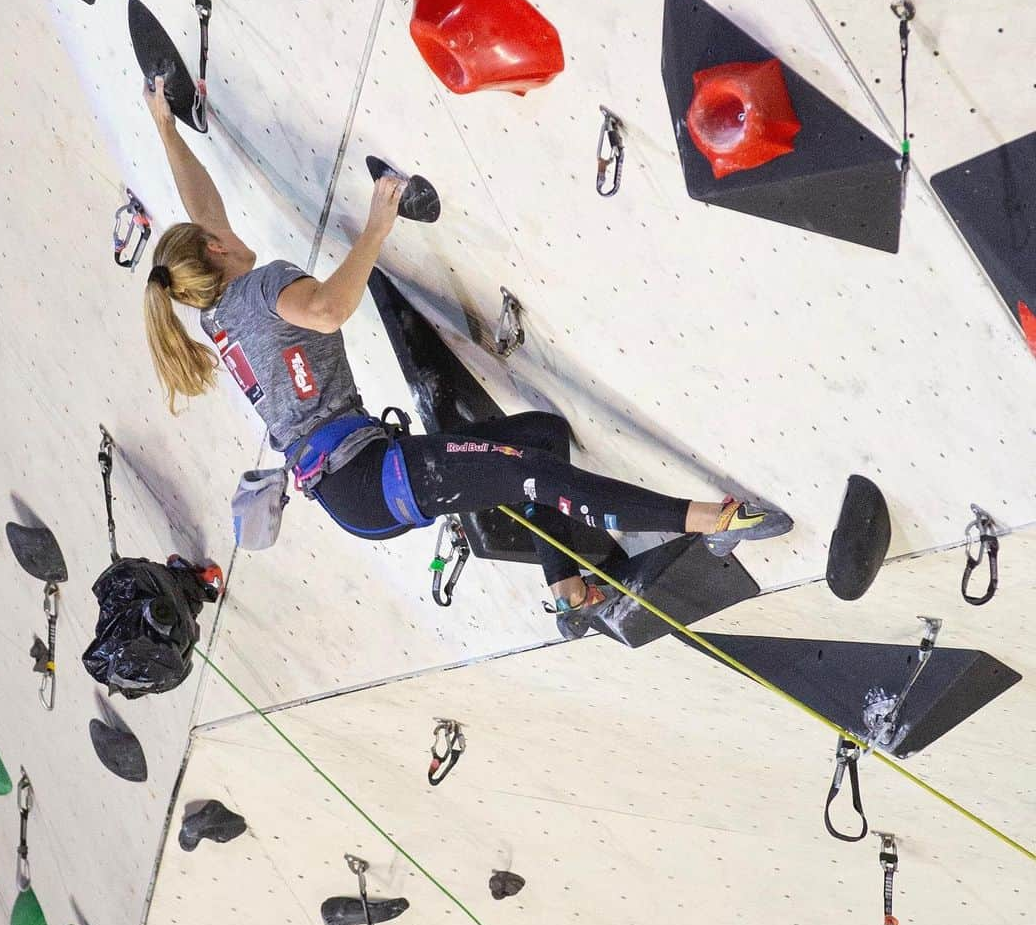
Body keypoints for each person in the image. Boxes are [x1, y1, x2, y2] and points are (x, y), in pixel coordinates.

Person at [140, 78, 792, 623]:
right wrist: (377, 224)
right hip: (367, 480)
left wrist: (167, 129)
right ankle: (715, 520)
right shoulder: (259, 288)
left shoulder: (212, 311)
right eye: (214, 235)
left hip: (354, 486)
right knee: (527, 473)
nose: (220, 230)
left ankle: (566, 588)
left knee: (541, 437)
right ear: (216, 253)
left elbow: (201, 214)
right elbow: (330, 307)